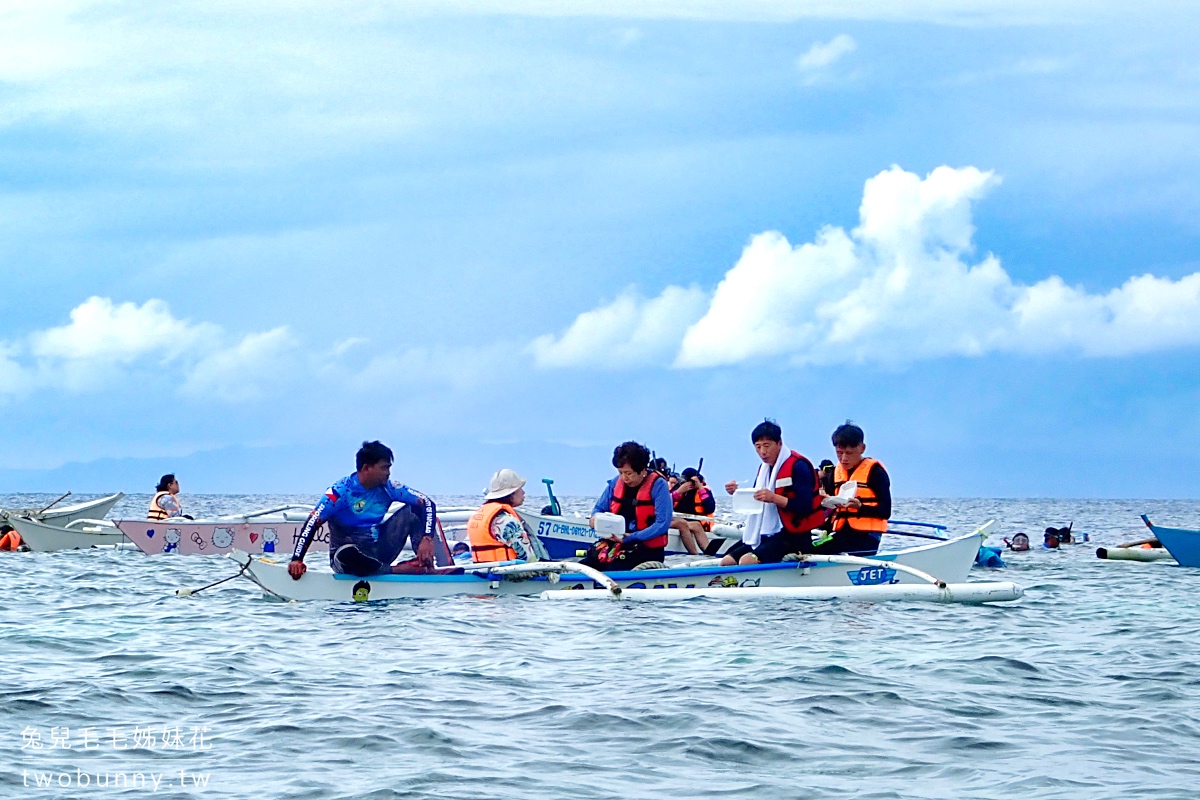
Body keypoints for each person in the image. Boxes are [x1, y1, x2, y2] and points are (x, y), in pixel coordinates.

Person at [288, 440, 446, 579]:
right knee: (347, 553)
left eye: (389, 468)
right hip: (349, 559)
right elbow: (312, 523)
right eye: (384, 468)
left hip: (379, 551)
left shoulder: (389, 487)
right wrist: (297, 559)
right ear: (366, 468)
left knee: (415, 509)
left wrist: (427, 538)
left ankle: (429, 568)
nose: (388, 473)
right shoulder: (340, 492)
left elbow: (428, 502)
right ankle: (398, 570)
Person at [721, 420, 827, 566]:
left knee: (747, 560)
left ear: (779, 443)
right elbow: (757, 499)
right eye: (758, 447)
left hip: (794, 535)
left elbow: (805, 506)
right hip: (766, 533)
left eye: (767, 445)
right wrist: (737, 493)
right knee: (727, 561)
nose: (762, 452)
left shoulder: (799, 466)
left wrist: (775, 498)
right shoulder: (764, 469)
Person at [580, 441, 673, 571]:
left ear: (642, 470)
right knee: (588, 561)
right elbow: (599, 509)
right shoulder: (615, 483)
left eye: (628, 473)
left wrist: (633, 537)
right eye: (620, 473)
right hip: (615, 545)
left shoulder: (658, 486)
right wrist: (594, 518)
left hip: (646, 549)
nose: (624, 478)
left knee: (615, 566)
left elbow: (662, 523)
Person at [817, 422, 891, 556]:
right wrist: (823, 499)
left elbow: (886, 511)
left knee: (820, 549)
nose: (844, 459)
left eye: (849, 453)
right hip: (841, 533)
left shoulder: (876, 472)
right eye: (839, 453)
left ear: (862, 448)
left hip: (867, 537)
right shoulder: (835, 473)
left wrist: (860, 507)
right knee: (806, 546)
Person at [466, 468, 549, 563]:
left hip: (483, 570)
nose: (523, 492)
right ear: (510, 494)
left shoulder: (479, 515)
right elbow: (529, 558)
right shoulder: (507, 521)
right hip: (510, 574)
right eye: (520, 489)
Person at [669, 467, 719, 556]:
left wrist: (699, 488)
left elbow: (710, 508)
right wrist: (679, 492)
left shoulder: (703, 490)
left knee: (696, 525)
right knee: (685, 523)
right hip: (676, 521)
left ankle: (708, 552)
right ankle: (695, 553)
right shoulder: (678, 489)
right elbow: (665, 503)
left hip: (694, 523)